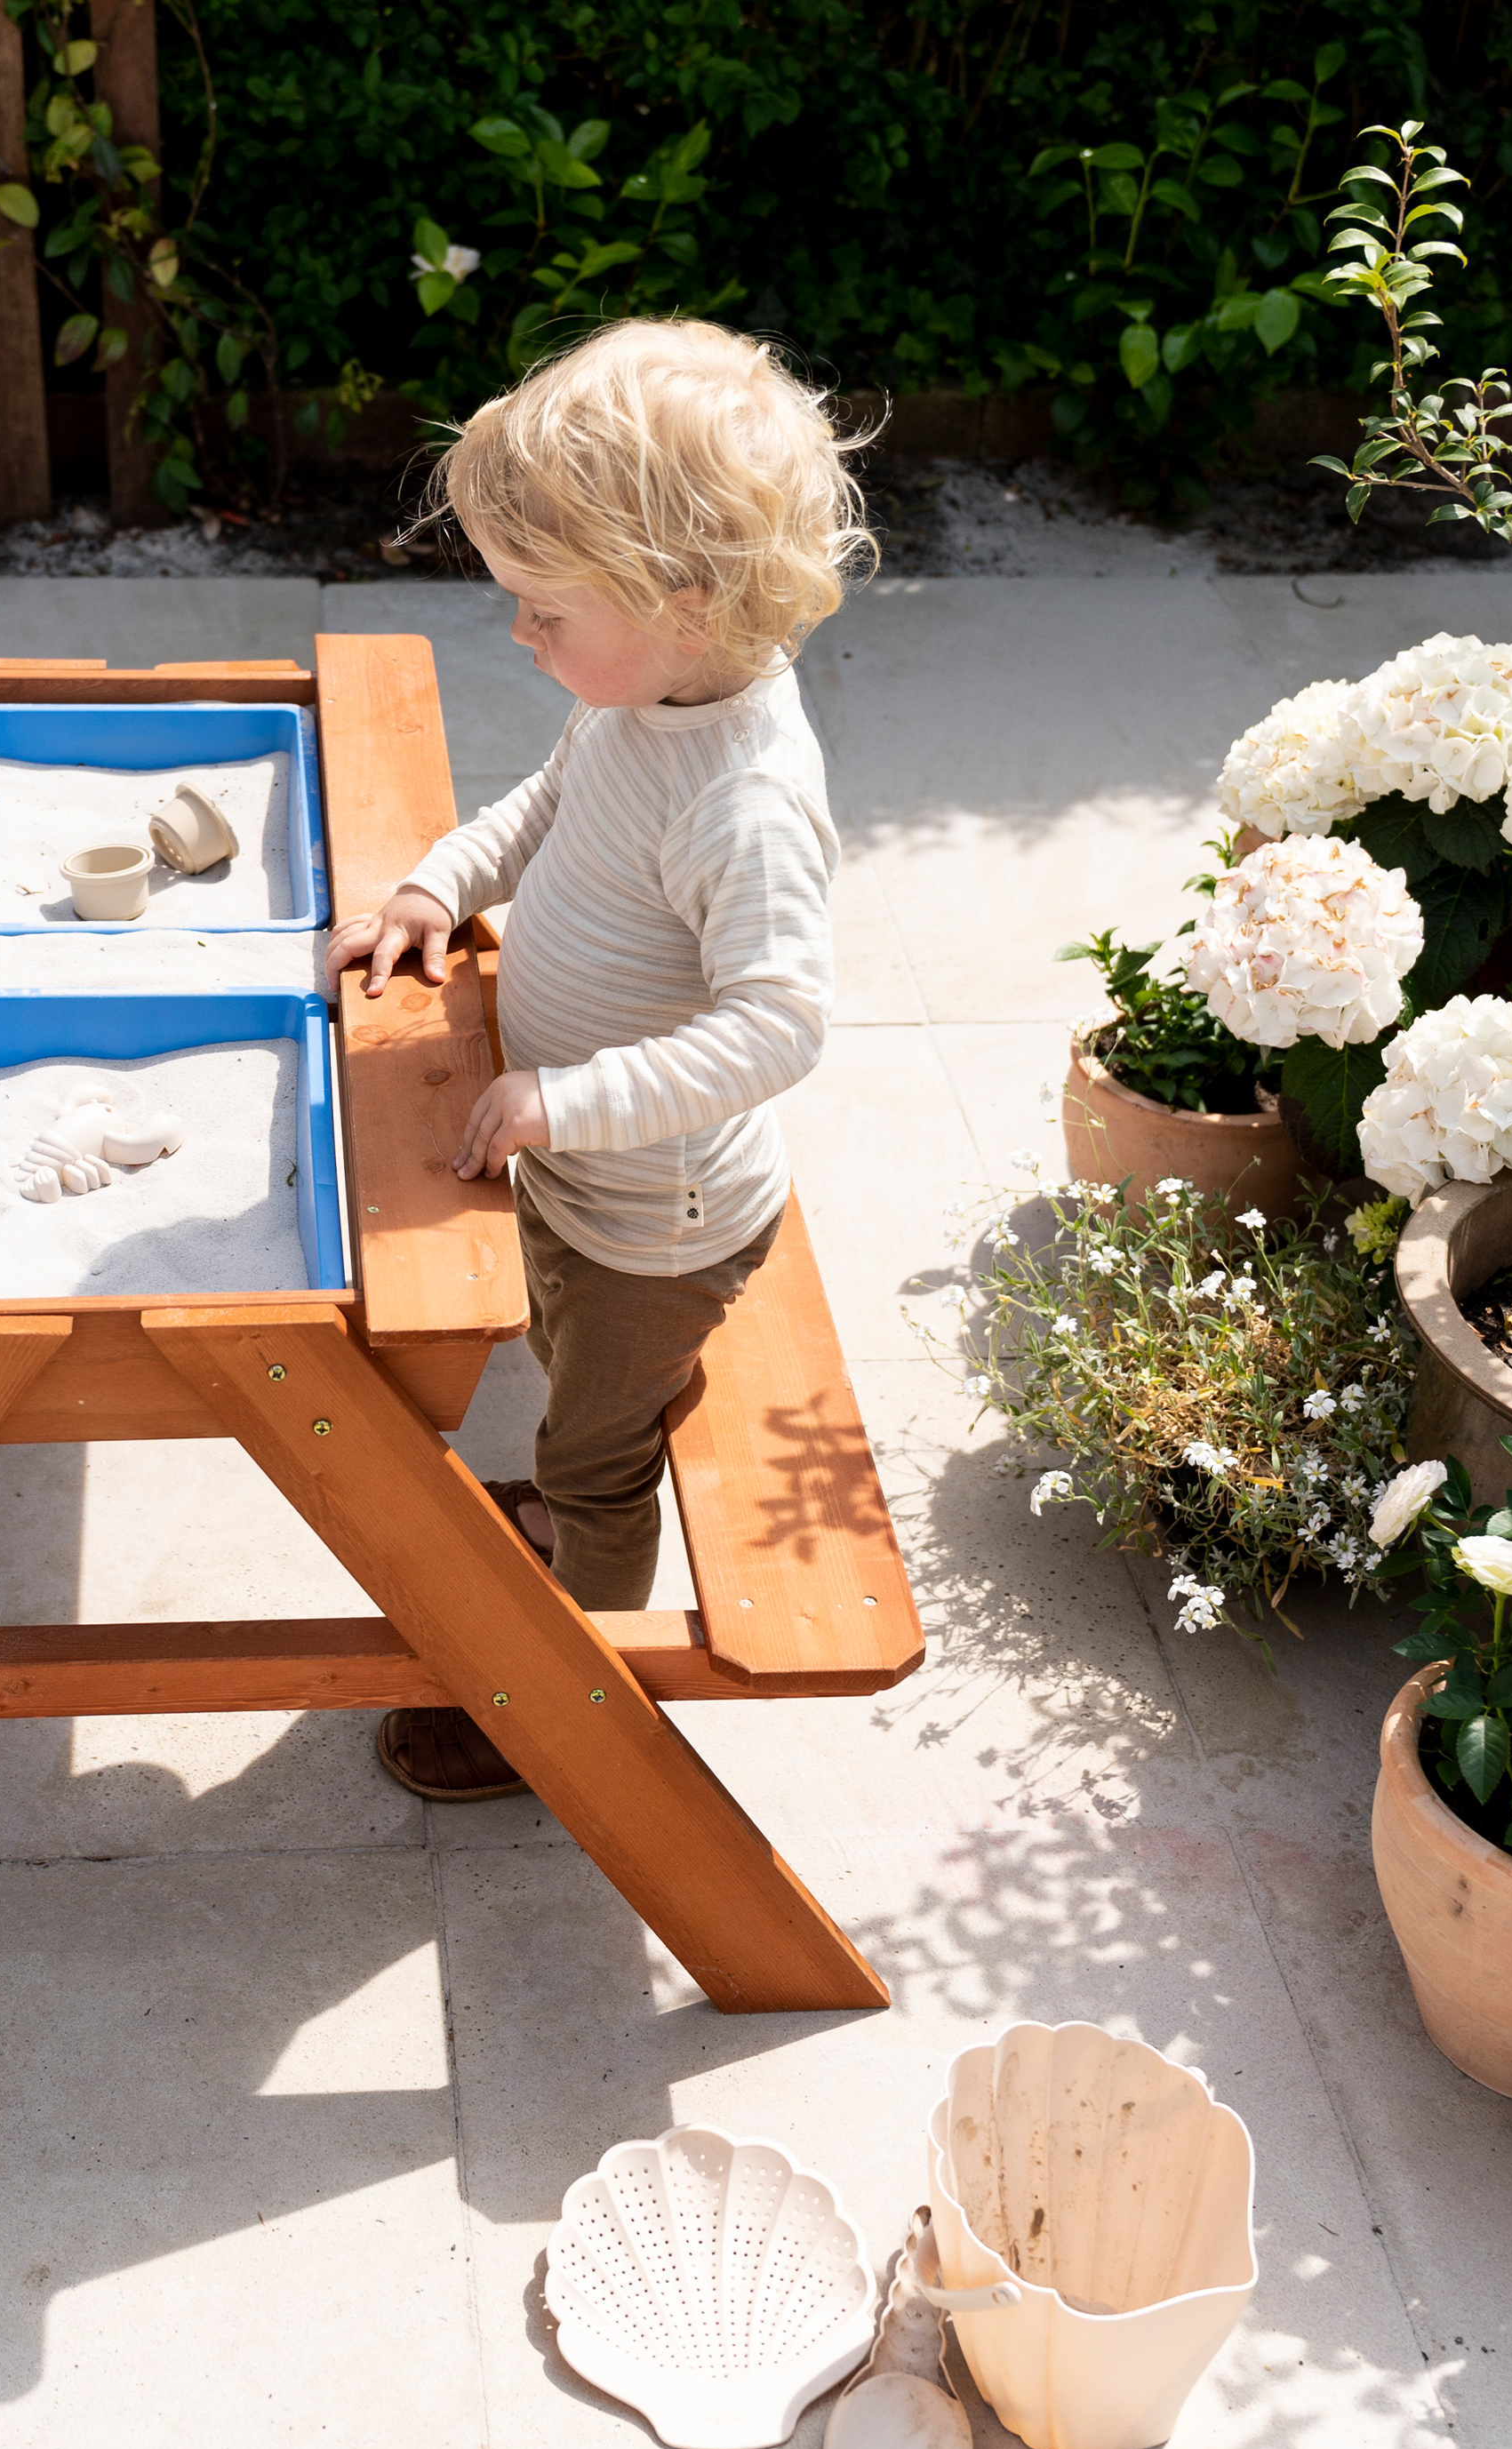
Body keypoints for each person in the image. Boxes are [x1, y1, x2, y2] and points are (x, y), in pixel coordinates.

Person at [322, 315, 872, 1803]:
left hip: (660, 1222)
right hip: (588, 1177)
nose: (522, 637)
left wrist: (569, 1100)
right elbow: (544, 807)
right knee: (558, 1335)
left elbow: (780, 1026)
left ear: (682, 599)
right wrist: (440, 883)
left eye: (544, 611)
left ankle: (558, 1695)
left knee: (592, 1445)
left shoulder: (746, 798)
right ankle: (598, 1441)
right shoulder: (638, 705)